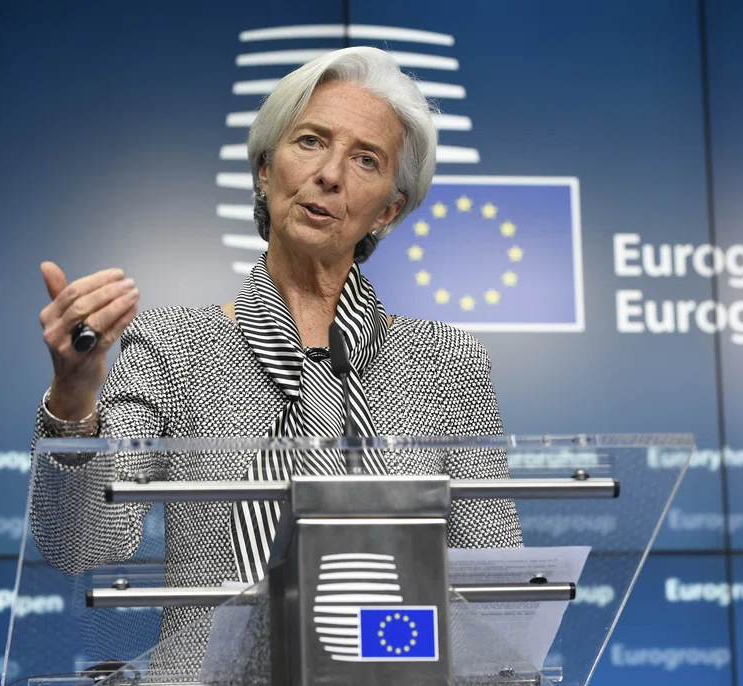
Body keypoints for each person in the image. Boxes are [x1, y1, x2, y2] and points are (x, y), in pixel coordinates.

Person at [30, 46, 522, 673]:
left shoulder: (445, 362)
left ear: (387, 210)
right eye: (311, 141)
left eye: (366, 160)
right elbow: (82, 544)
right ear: (266, 170)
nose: (330, 174)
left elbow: (492, 585)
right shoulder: (172, 346)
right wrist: (75, 398)